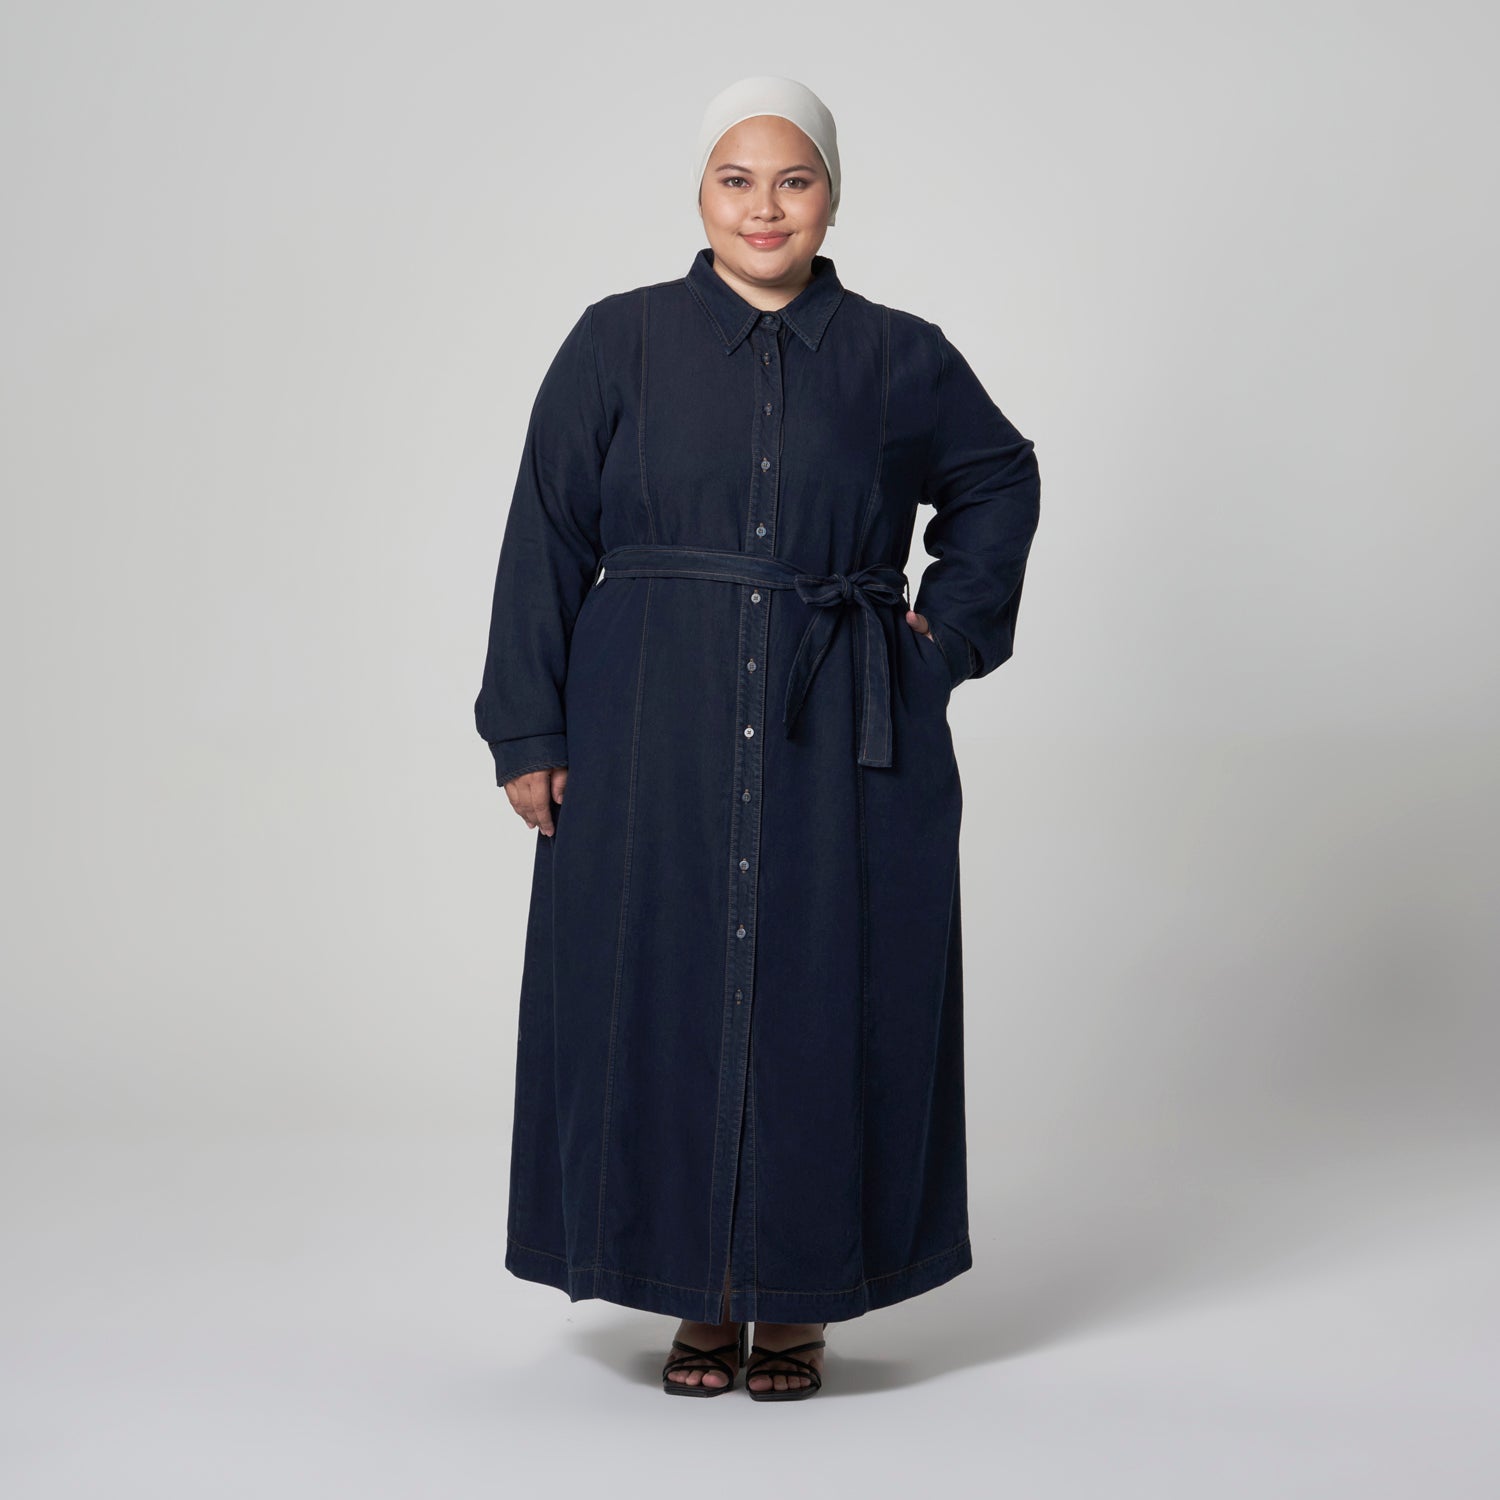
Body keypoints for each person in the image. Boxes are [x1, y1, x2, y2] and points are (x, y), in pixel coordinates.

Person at [474, 75, 1041, 1400]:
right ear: (702, 195)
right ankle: (691, 1292)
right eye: (738, 179)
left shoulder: (900, 355)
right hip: (645, 731)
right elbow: (544, 530)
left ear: (831, 196)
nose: (764, 206)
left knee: (823, 992)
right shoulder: (615, 341)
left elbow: (998, 475)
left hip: (842, 733)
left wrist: (945, 638)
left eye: (793, 179)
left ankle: (794, 1301)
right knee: (656, 988)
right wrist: (526, 728)